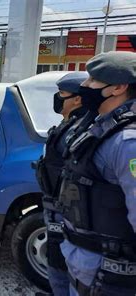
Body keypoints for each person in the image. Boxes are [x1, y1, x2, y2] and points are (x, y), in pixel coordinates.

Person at [58, 51, 136, 295]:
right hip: (87, 270)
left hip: (111, 276)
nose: (84, 85)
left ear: (119, 87)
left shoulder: (128, 142)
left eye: (92, 80)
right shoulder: (100, 126)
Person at [35, 72, 91, 296]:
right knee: (57, 262)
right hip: (56, 207)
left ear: (77, 99)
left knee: (62, 267)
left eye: (61, 95)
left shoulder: (79, 129)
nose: (57, 99)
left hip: (66, 211)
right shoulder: (69, 125)